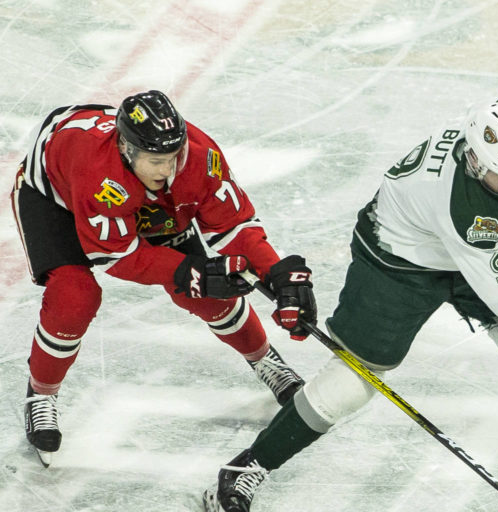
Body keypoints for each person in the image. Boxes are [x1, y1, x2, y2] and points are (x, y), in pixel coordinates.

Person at [203, 95, 498, 512]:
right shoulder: (471, 209)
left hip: (457, 249)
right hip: (397, 261)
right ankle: (245, 469)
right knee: (354, 381)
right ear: (474, 160)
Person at [11, 90, 317, 466]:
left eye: (173, 157)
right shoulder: (95, 168)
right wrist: (186, 271)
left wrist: (277, 272)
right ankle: (41, 392)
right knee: (74, 297)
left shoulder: (200, 157)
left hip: (131, 200)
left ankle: (264, 358)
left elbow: (233, 224)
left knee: (207, 292)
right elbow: (116, 255)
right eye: (156, 160)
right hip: (55, 197)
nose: (167, 170)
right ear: (125, 148)